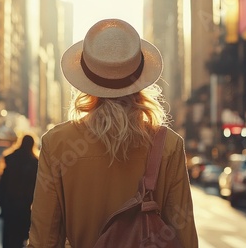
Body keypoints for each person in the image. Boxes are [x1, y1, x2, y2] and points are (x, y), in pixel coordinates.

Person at [28, 19, 199, 247]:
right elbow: (183, 235)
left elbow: (44, 239)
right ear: (140, 79)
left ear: (86, 80)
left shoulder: (56, 143)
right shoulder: (168, 144)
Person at [0, 134, 39, 248]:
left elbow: (3, 183)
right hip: (25, 204)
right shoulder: (35, 162)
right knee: (21, 234)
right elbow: (37, 187)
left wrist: (1, 202)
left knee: (8, 234)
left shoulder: (10, 158)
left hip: (9, 203)